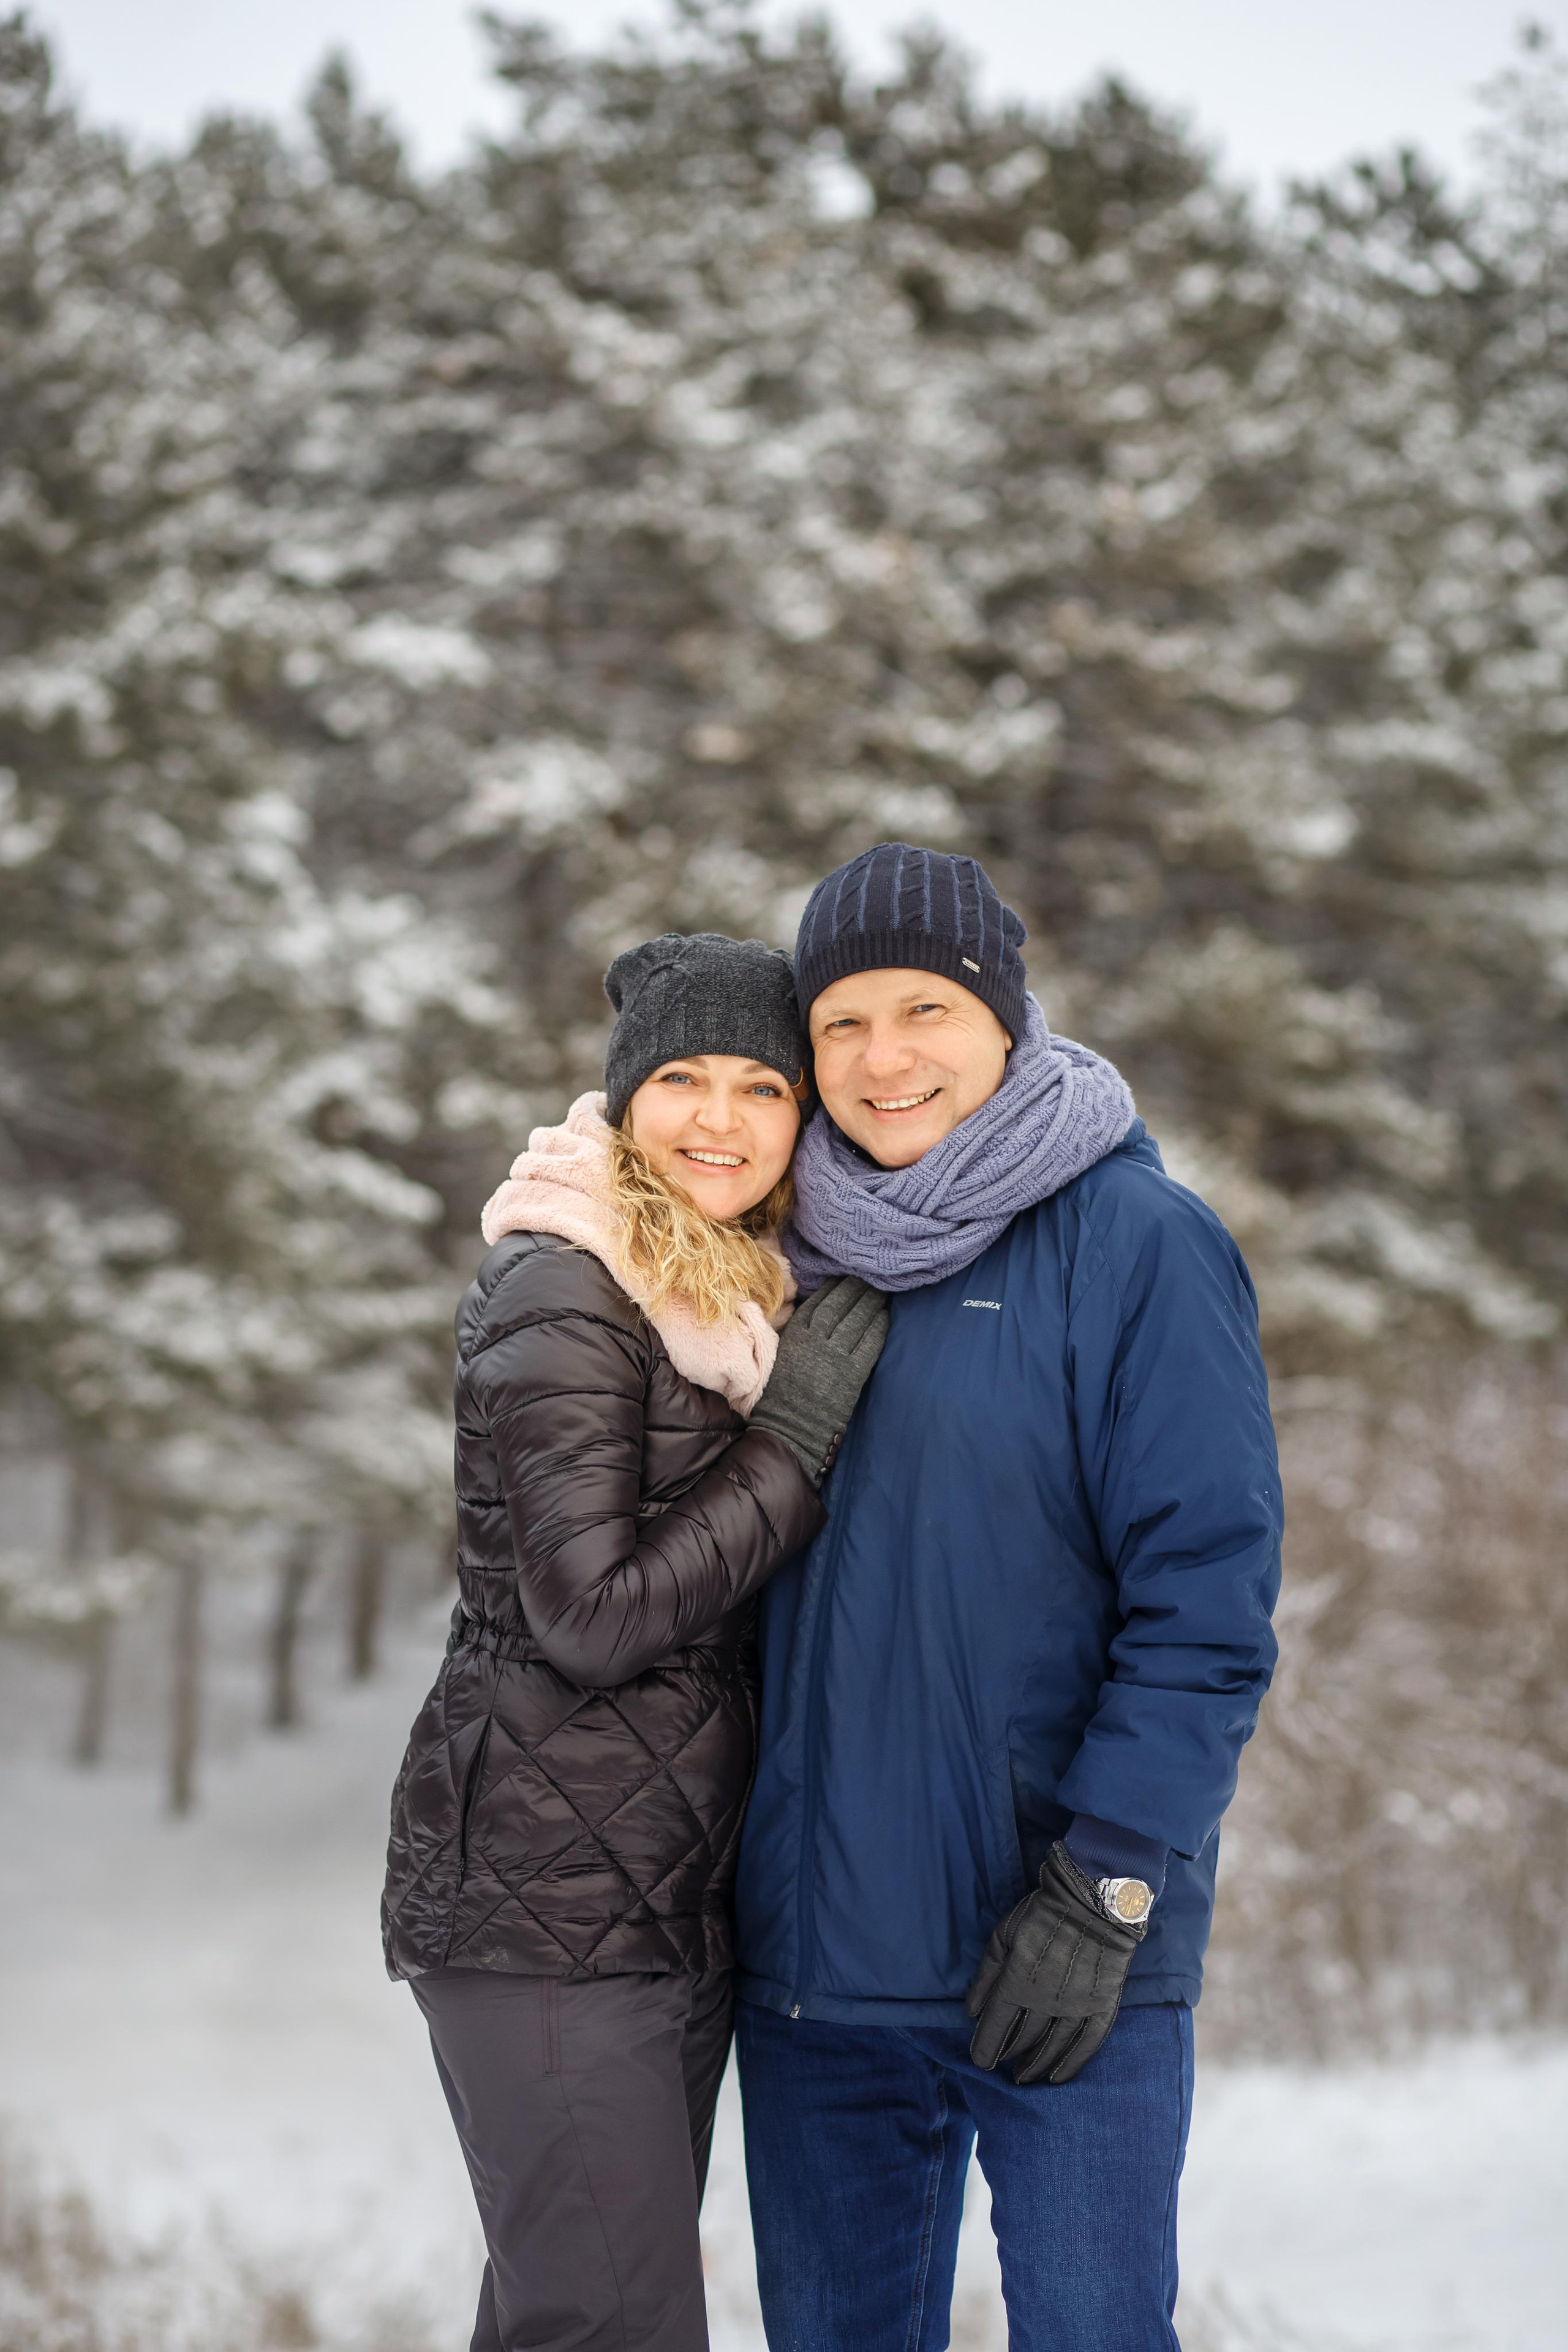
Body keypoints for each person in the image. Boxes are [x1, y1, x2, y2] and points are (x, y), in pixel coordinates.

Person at [733, 845, 1283, 2352]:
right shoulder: (772, 1254)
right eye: (840, 1022)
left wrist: (1106, 1884)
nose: (882, 1058)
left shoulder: (1135, 1243)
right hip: (813, 1979)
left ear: (1005, 1018)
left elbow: (1206, 1604)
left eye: (924, 1009)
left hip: (1059, 1956)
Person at [382, 932, 888, 2352]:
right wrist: (792, 1446)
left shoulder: (729, 1299)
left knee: (573, 2318)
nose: (719, 1119)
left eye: (761, 1087)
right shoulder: (568, 1285)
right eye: (681, 1080)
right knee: (611, 2325)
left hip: (655, 1896)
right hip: (544, 1899)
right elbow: (589, 1617)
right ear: (622, 1097)